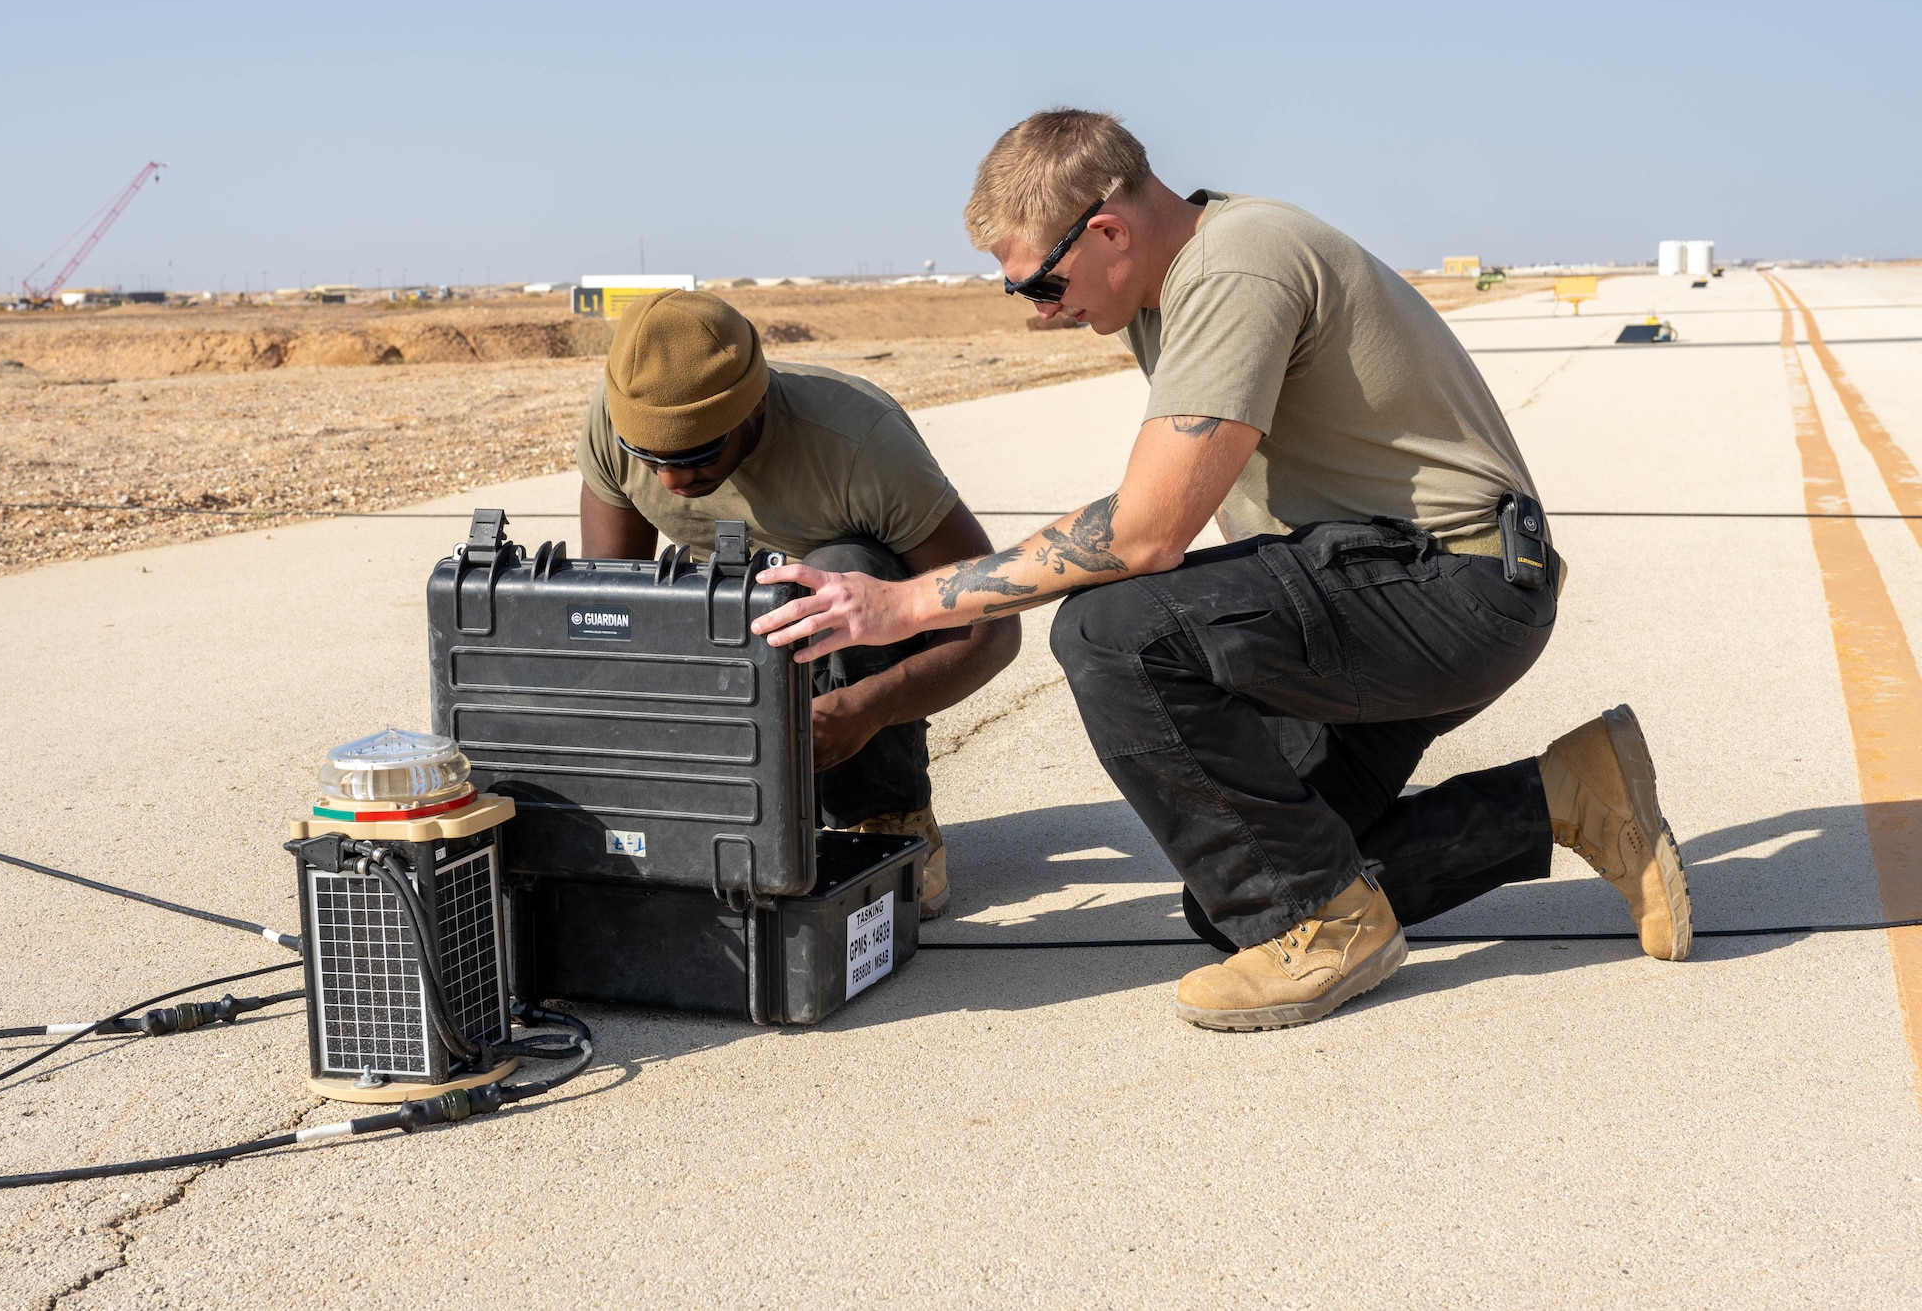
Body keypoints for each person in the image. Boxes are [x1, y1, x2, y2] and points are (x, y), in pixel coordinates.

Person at [751, 109, 1691, 1029]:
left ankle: (1326, 929)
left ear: (1108, 229)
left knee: (1111, 630)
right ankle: (1568, 794)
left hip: (1452, 590)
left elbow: (1151, 531)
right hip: (1391, 592)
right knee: (1238, 892)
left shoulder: (1236, 265)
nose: (1040, 313)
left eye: (1040, 283)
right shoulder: (1169, 285)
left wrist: (906, 602)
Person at [576, 289, 1017, 918]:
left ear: (753, 406)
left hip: (855, 625)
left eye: (698, 453)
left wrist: (865, 709)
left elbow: (992, 624)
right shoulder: (619, 417)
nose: (673, 481)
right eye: (651, 458)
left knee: (843, 569)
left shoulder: (859, 444)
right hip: (733, 621)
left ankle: (887, 818)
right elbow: (613, 615)